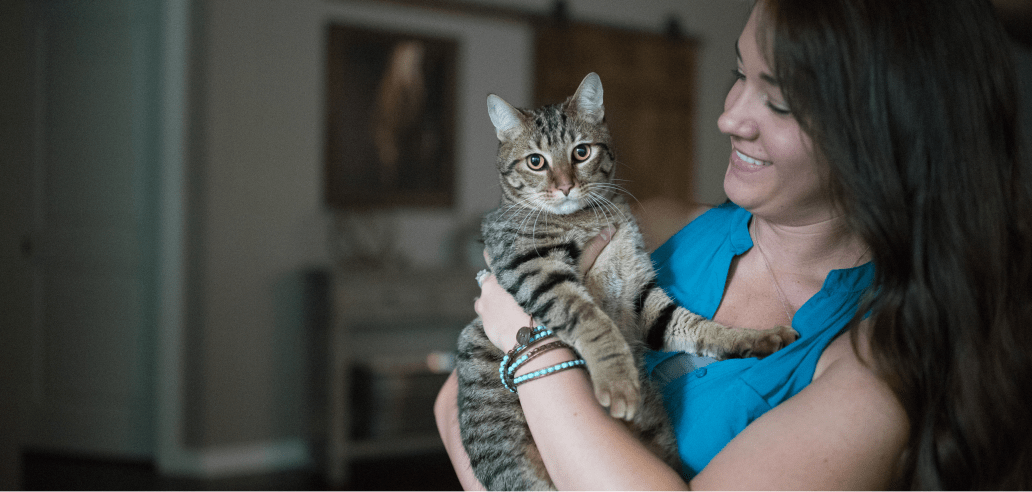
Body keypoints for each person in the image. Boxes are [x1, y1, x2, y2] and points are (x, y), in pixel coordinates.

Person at [435, 0, 1032, 489]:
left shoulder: (879, 367)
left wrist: (530, 340)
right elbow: (452, 406)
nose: (729, 119)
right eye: (738, 74)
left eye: (778, 99)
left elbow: (506, 327)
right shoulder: (659, 224)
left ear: (886, 134)